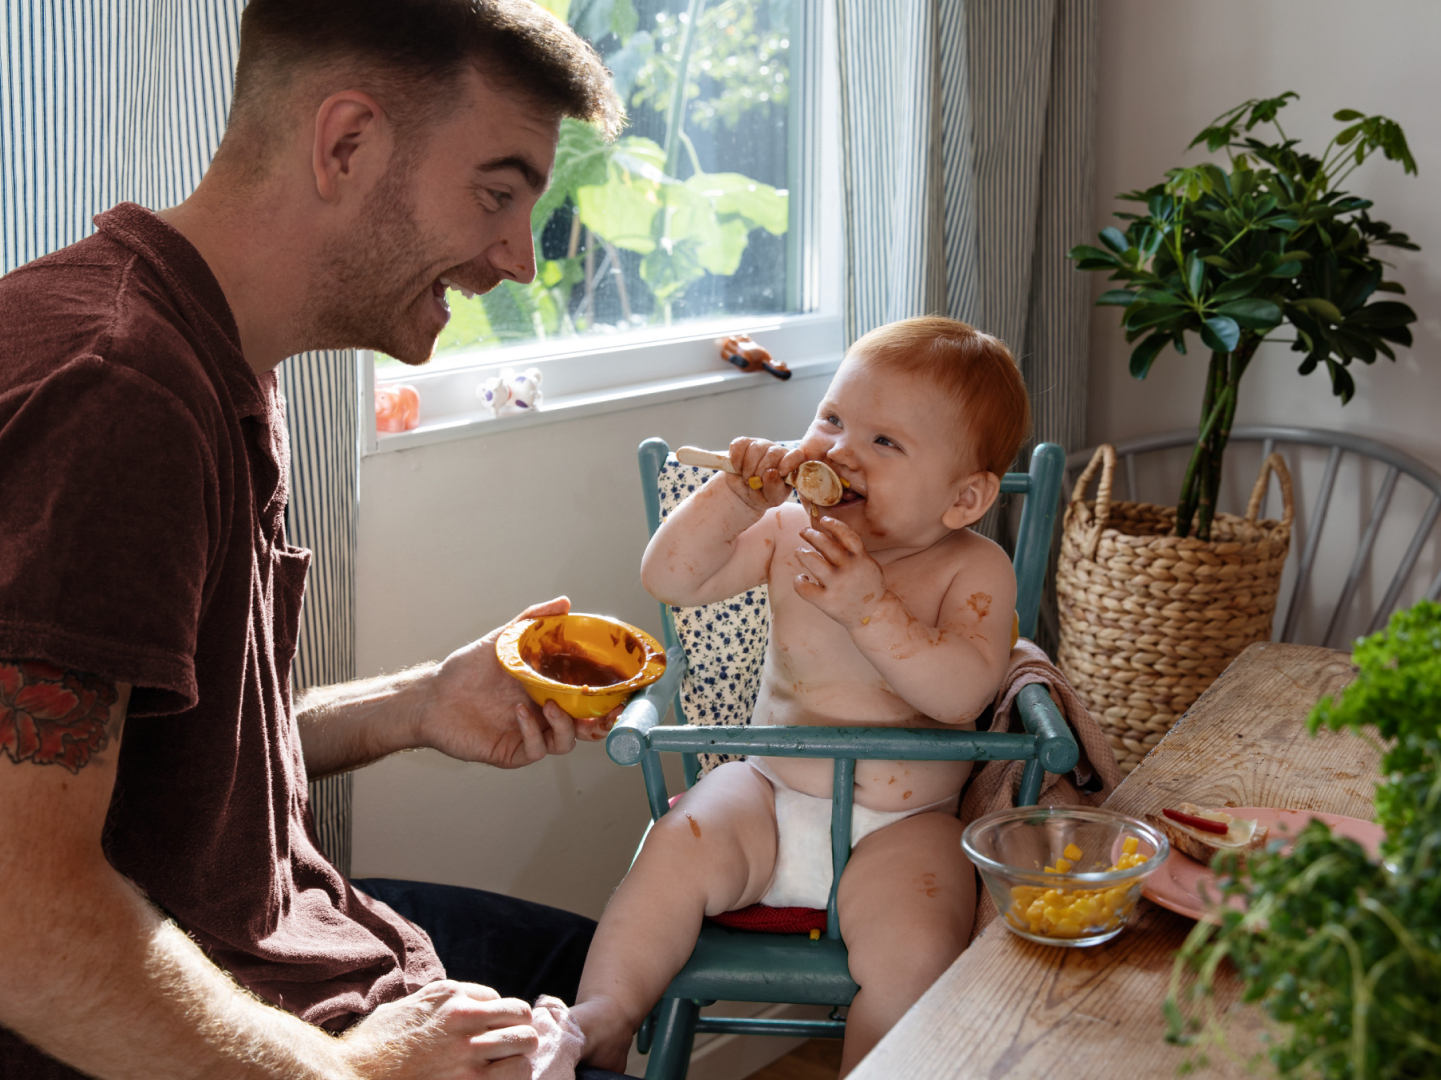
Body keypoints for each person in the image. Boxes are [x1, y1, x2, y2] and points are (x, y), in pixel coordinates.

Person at [0, 2, 636, 1077]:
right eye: (496, 194)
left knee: (608, 982)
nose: (520, 261)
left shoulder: (220, 356)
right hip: (199, 1016)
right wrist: (348, 1073)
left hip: (304, 940)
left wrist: (419, 702)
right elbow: (21, 916)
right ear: (345, 143)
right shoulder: (117, 394)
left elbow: (169, 762)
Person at [571, 317, 1032, 1076]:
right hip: (767, 790)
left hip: (901, 824)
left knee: (917, 949)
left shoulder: (972, 568)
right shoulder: (789, 527)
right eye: (832, 419)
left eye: (885, 443)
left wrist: (870, 610)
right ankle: (607, 1019)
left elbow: (960, 696)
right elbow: (671, 581)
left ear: (963, 498)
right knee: (671, 854)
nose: (840, 450)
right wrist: (734, 497)